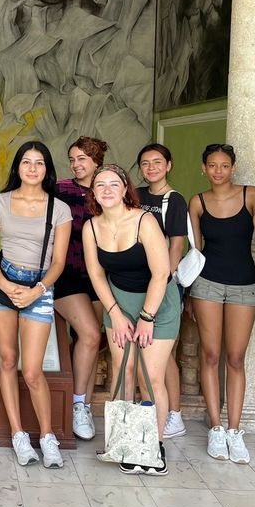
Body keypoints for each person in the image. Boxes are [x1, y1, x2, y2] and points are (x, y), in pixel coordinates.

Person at [83, 164, 180, 476]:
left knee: (149, 379)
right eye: (101, 185)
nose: (108, 189)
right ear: (93, 192)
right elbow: (96, 274)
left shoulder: (144, 220)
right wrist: (115, 314)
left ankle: (153, 445)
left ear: (126, 189)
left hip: (157, 305)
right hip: (119, 305)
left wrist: (146, 317)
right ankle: (126, 443)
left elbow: (161, 272)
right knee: (122, 372)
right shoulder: (91, 227)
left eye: (115, 184)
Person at [0, 142, 72, 468]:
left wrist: (37, 290)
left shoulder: (58, 209)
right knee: (8, 359)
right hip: (4, 282)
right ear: (17, 167)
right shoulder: (0, 202)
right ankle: (18, 435)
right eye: (26, 162)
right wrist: (5, 284)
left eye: (38, 163)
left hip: (40, 286)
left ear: (47, 169)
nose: (32, 168)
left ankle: (47, 436)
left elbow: (59, 261)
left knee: (32, 371)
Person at [188, 144, 255, 464]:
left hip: (244, 284)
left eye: (224, 165)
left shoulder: (251, 195)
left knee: (235, 358)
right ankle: (216, 428)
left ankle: (235, 430)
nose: (218, 171)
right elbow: (194, 251)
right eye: (212, 165)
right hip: (206, 283)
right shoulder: (197, 202)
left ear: (233, 168)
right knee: (210, 354)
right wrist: (189, 291)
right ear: (203, 169)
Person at [53, 136, 108, 441]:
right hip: (67, 273)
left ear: (96, 161)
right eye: (73, 158)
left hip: (100, 276)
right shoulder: (60, 189)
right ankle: (76, 405)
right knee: (88, 333)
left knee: (92, 341)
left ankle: (83, 404)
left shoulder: (108, 190)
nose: (76, 164)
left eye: (82, 159)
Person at [135, 143, 188, 439]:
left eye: (157, 162)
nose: (151, 167)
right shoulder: (138, 196)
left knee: (165, 355)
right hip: (137, 283)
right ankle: (154, 414)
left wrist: (161, 281)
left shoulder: (174, 200)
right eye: (145, 163)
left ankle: (173, 416)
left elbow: (176, 245)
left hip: (162, 286)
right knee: (150, 356)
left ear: (168, 165)